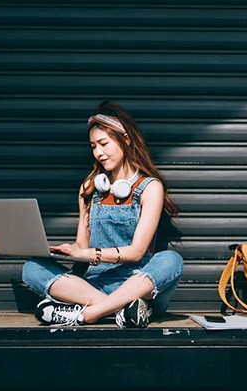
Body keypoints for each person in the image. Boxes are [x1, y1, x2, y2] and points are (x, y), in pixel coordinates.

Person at [22, 101, 183, 328]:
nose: (98, 153)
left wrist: (91, 254)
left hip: (138, 284)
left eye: (104, 144)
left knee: (171, 260)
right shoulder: (89, 187)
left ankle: (87, 315)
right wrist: (69, 251)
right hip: (93, 285)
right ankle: (123, 311)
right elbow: (82, 245)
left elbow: (137, 252)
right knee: (31, 268)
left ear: (126, 139)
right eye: (93, 146)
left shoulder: (150, 187)